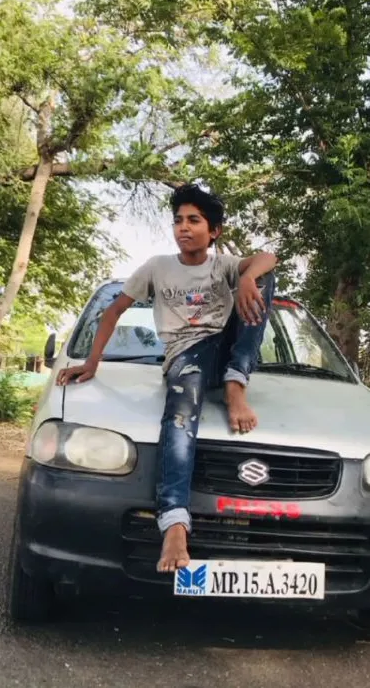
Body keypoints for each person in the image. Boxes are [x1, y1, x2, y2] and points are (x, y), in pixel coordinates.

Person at [57, 184, 277, 573]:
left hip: (225, 348)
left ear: (214, 232)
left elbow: (268, 256)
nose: (183, 228)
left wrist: (245, 279)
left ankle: (234, 383)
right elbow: (113, 311)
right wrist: (92, 363)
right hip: (186, 357)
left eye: (194, 220)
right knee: (179, 413)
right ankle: (175, 523)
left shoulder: (222, 265)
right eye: (178, 221)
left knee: (262, 275)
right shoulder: (157, 267)